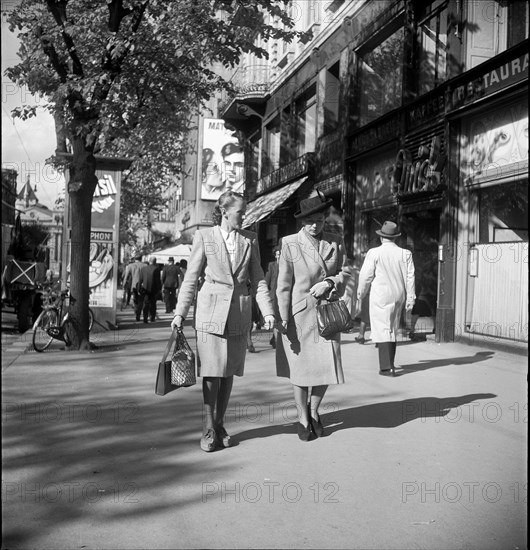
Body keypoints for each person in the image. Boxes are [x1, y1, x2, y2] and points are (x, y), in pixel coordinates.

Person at [171, 190, 275, 452]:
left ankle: (219, 423)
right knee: (211, 372)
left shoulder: (250, 240)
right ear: (225, 211)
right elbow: (191, 278)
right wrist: (179, 313)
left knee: (229, 372)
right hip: (210, 312)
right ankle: (207, 426)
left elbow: (259, 278)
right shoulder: (205, 236)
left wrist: (268, 311)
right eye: (240, 212)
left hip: (239, 313)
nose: (244, 216)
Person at [276, 191, 351, 441]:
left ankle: (314, 411)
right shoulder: (289, 243)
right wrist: (282, 316)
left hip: (327, 313)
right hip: (299, 315)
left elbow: (346, 273)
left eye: (319, 220)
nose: (314, 225)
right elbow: (283, 284)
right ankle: (301, 417)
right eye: (309, 221)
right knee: (300, 370)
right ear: (301, 222)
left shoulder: (335, 240)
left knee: (325, 367)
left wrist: (330, 281)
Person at [356, 221, 415, 377]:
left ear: (382, 238)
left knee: (383, 329)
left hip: (381, 295)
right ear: (395, 238)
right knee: (392, 329)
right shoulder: (405, 254)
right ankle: (390, 363)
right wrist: (410, 297)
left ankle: (387, 367)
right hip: (399, 294)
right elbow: (410, 277)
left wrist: (361, 293)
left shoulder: (374, 253)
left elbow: (366, 276)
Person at [265, 245, 281, 349]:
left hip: (283, 296)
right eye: (278, 254)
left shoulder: (287, 265)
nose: (279, 256)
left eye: (281, 254)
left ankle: (275, 339)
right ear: (275, 255)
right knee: (275, 320)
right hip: (273, 296)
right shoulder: (272, 265)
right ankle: (277, 341)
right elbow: (267, 280)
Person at [139, 257, 162, 323]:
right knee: (153, 303)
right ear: (155, 261)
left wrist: (139, 289)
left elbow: (140, 280)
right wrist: (159, 289)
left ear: (149, 261)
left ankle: (145, 317)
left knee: (146, 303)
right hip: (154, 289)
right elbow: (158, 280)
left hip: (145, 289)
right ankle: (152, 317)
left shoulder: (143, 269)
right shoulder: (157, 269)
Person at [126, 256, 145, 321]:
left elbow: (126, 276)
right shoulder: (145, 265)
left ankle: (136, 311)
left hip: (134, 285)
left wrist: (123, 284)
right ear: (141, 259)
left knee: (135, 299)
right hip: (142, 285)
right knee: (141, 300)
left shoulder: (130, 266)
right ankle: (138, 313)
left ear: (135, 259)